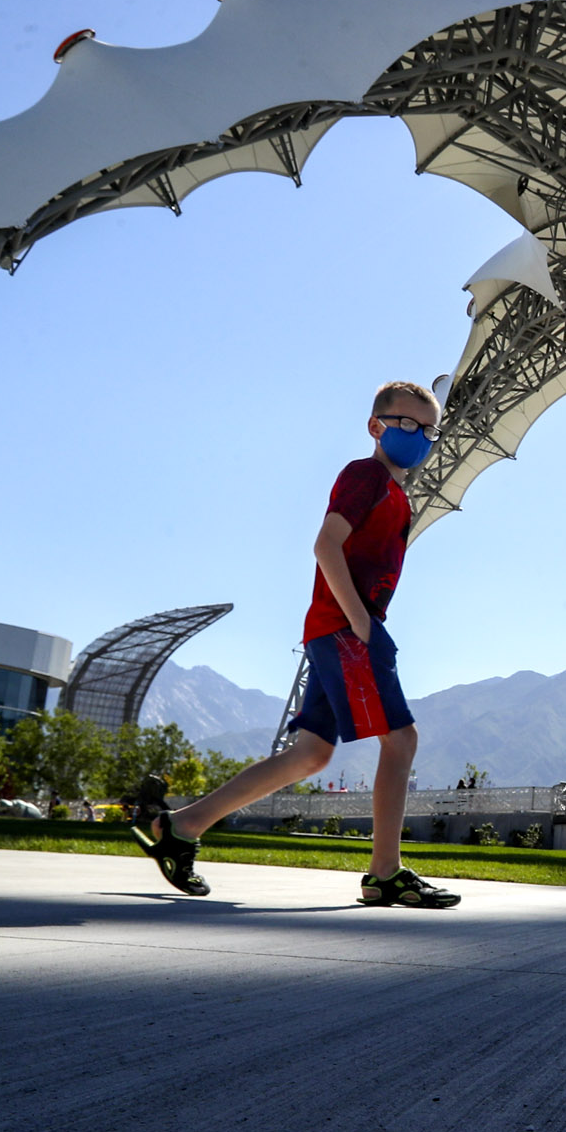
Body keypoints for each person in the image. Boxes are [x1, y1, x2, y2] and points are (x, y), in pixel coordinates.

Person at [128, 381, 458, 908]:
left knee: (310, 755)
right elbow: (326, 544)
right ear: (377, 427)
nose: (419, 437)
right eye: (407, 425)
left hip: (338, 628)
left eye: (428, 429)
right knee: (402, 741)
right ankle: (385, 873)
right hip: (348, 628)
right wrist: (362, 625)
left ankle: (181, 827)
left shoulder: (395, 493)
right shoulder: (365, 475)